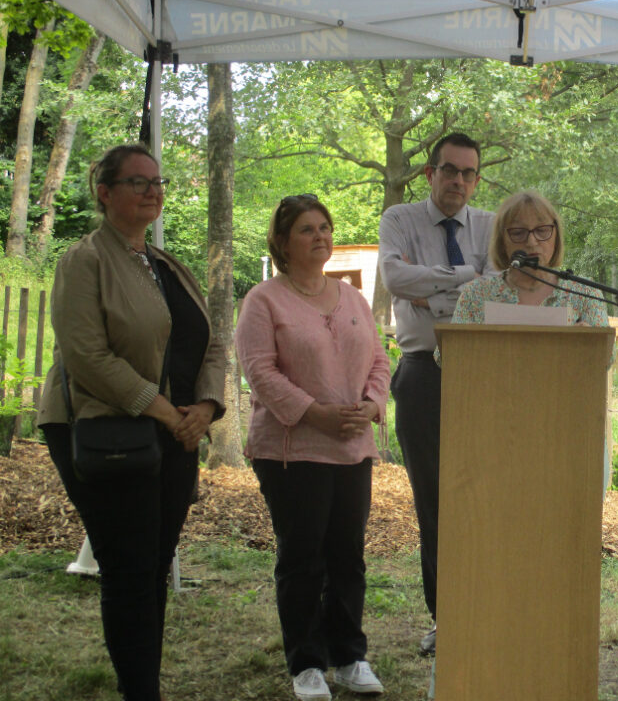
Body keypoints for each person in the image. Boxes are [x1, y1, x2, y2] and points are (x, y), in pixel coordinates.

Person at [37, 143, 226, 701]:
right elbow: (86, 357)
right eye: (138, 182)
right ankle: (139, 690)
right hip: (103, 430)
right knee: (128, 566)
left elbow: (212, 343)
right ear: (104, 192)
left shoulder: (168, 264)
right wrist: (168, 411)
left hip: (173, 435)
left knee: (154, 562)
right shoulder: (85, 260)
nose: (152, 191)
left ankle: (143, 682)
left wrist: (207, 408)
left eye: (157, 182)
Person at [235, 194, 390, 700]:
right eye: (306, 229)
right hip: (291, 450)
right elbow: (259, 370)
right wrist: (314, 413)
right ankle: (306, 663)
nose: (320, 236)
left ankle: (348, 657)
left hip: (351, 448)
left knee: (348, 555)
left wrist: (371, 404)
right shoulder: (264, 300)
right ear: (282, 242)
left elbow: (379, 362)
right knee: (303, 557)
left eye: (325, 226)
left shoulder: (353, 300)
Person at [377, 132, 497, 655]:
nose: (460, 182)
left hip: (485, 374)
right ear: (430, 173)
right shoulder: (399, 220)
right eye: (450, 170)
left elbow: (500, 287)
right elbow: (393, 276)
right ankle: (446, 618)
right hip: (423, 373)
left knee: (488, 499)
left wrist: (435, 292)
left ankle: (488, 609)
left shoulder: (493, 225)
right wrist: (467, 281)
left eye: (469, 173)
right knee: (436, 504)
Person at [448, 191, 608, 328]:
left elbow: (605, 358)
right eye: (518, 233)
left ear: (556, 236)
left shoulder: (585, 294)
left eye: (542, 230)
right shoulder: (476, 295)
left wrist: (588, 340)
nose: (531, 242)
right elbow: (448, 355)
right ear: (502, 242)